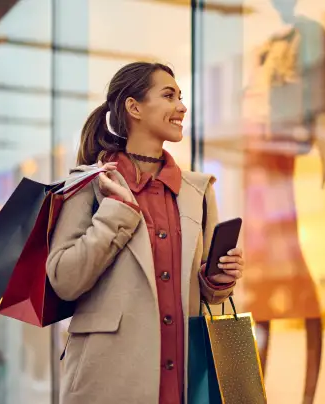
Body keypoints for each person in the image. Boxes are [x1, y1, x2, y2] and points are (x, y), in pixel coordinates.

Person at [46, 62, 244, 404]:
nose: (182, 106)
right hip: (109, 379)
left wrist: (220, 278)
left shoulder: (198, 191)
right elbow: (65, 279)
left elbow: (209, 294)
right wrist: (116, 213)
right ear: (134, 107)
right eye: (168, 95)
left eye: (181, 97)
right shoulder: (90, 183)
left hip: (185, 378)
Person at [241, 0, 325, 403]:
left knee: (283, 270)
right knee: (260, 285)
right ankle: (251, 392)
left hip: (278, 153)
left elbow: (319, 99)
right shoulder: (263, 45)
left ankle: (304, 395)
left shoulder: (308, 35)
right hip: (256, 159)